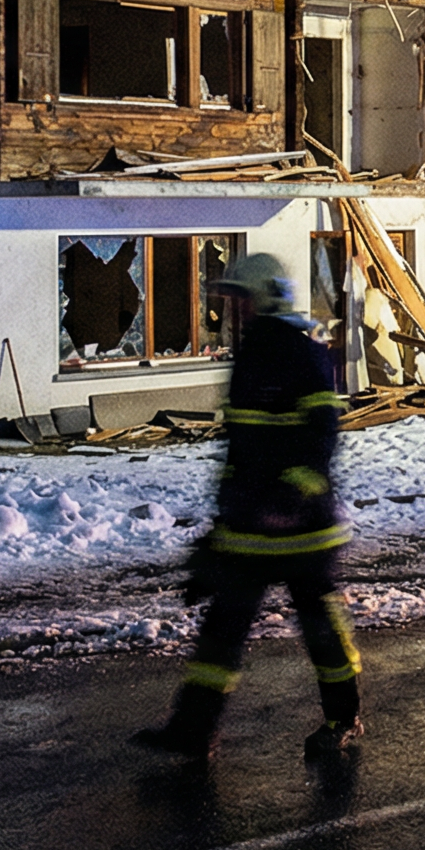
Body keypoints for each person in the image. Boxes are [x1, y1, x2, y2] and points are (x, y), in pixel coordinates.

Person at [135, 252, 363, 762]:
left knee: (321, 631)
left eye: (238, 300)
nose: (230, 311)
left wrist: (294, 491)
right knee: (221, 632)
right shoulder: (249, 357)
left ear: (262, 300)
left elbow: (321, 437)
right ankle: (192, 730)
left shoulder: (305, 355)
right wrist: (219, 533)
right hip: (250, 528)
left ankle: (342, 720)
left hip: (303, 530)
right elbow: (241, 453)